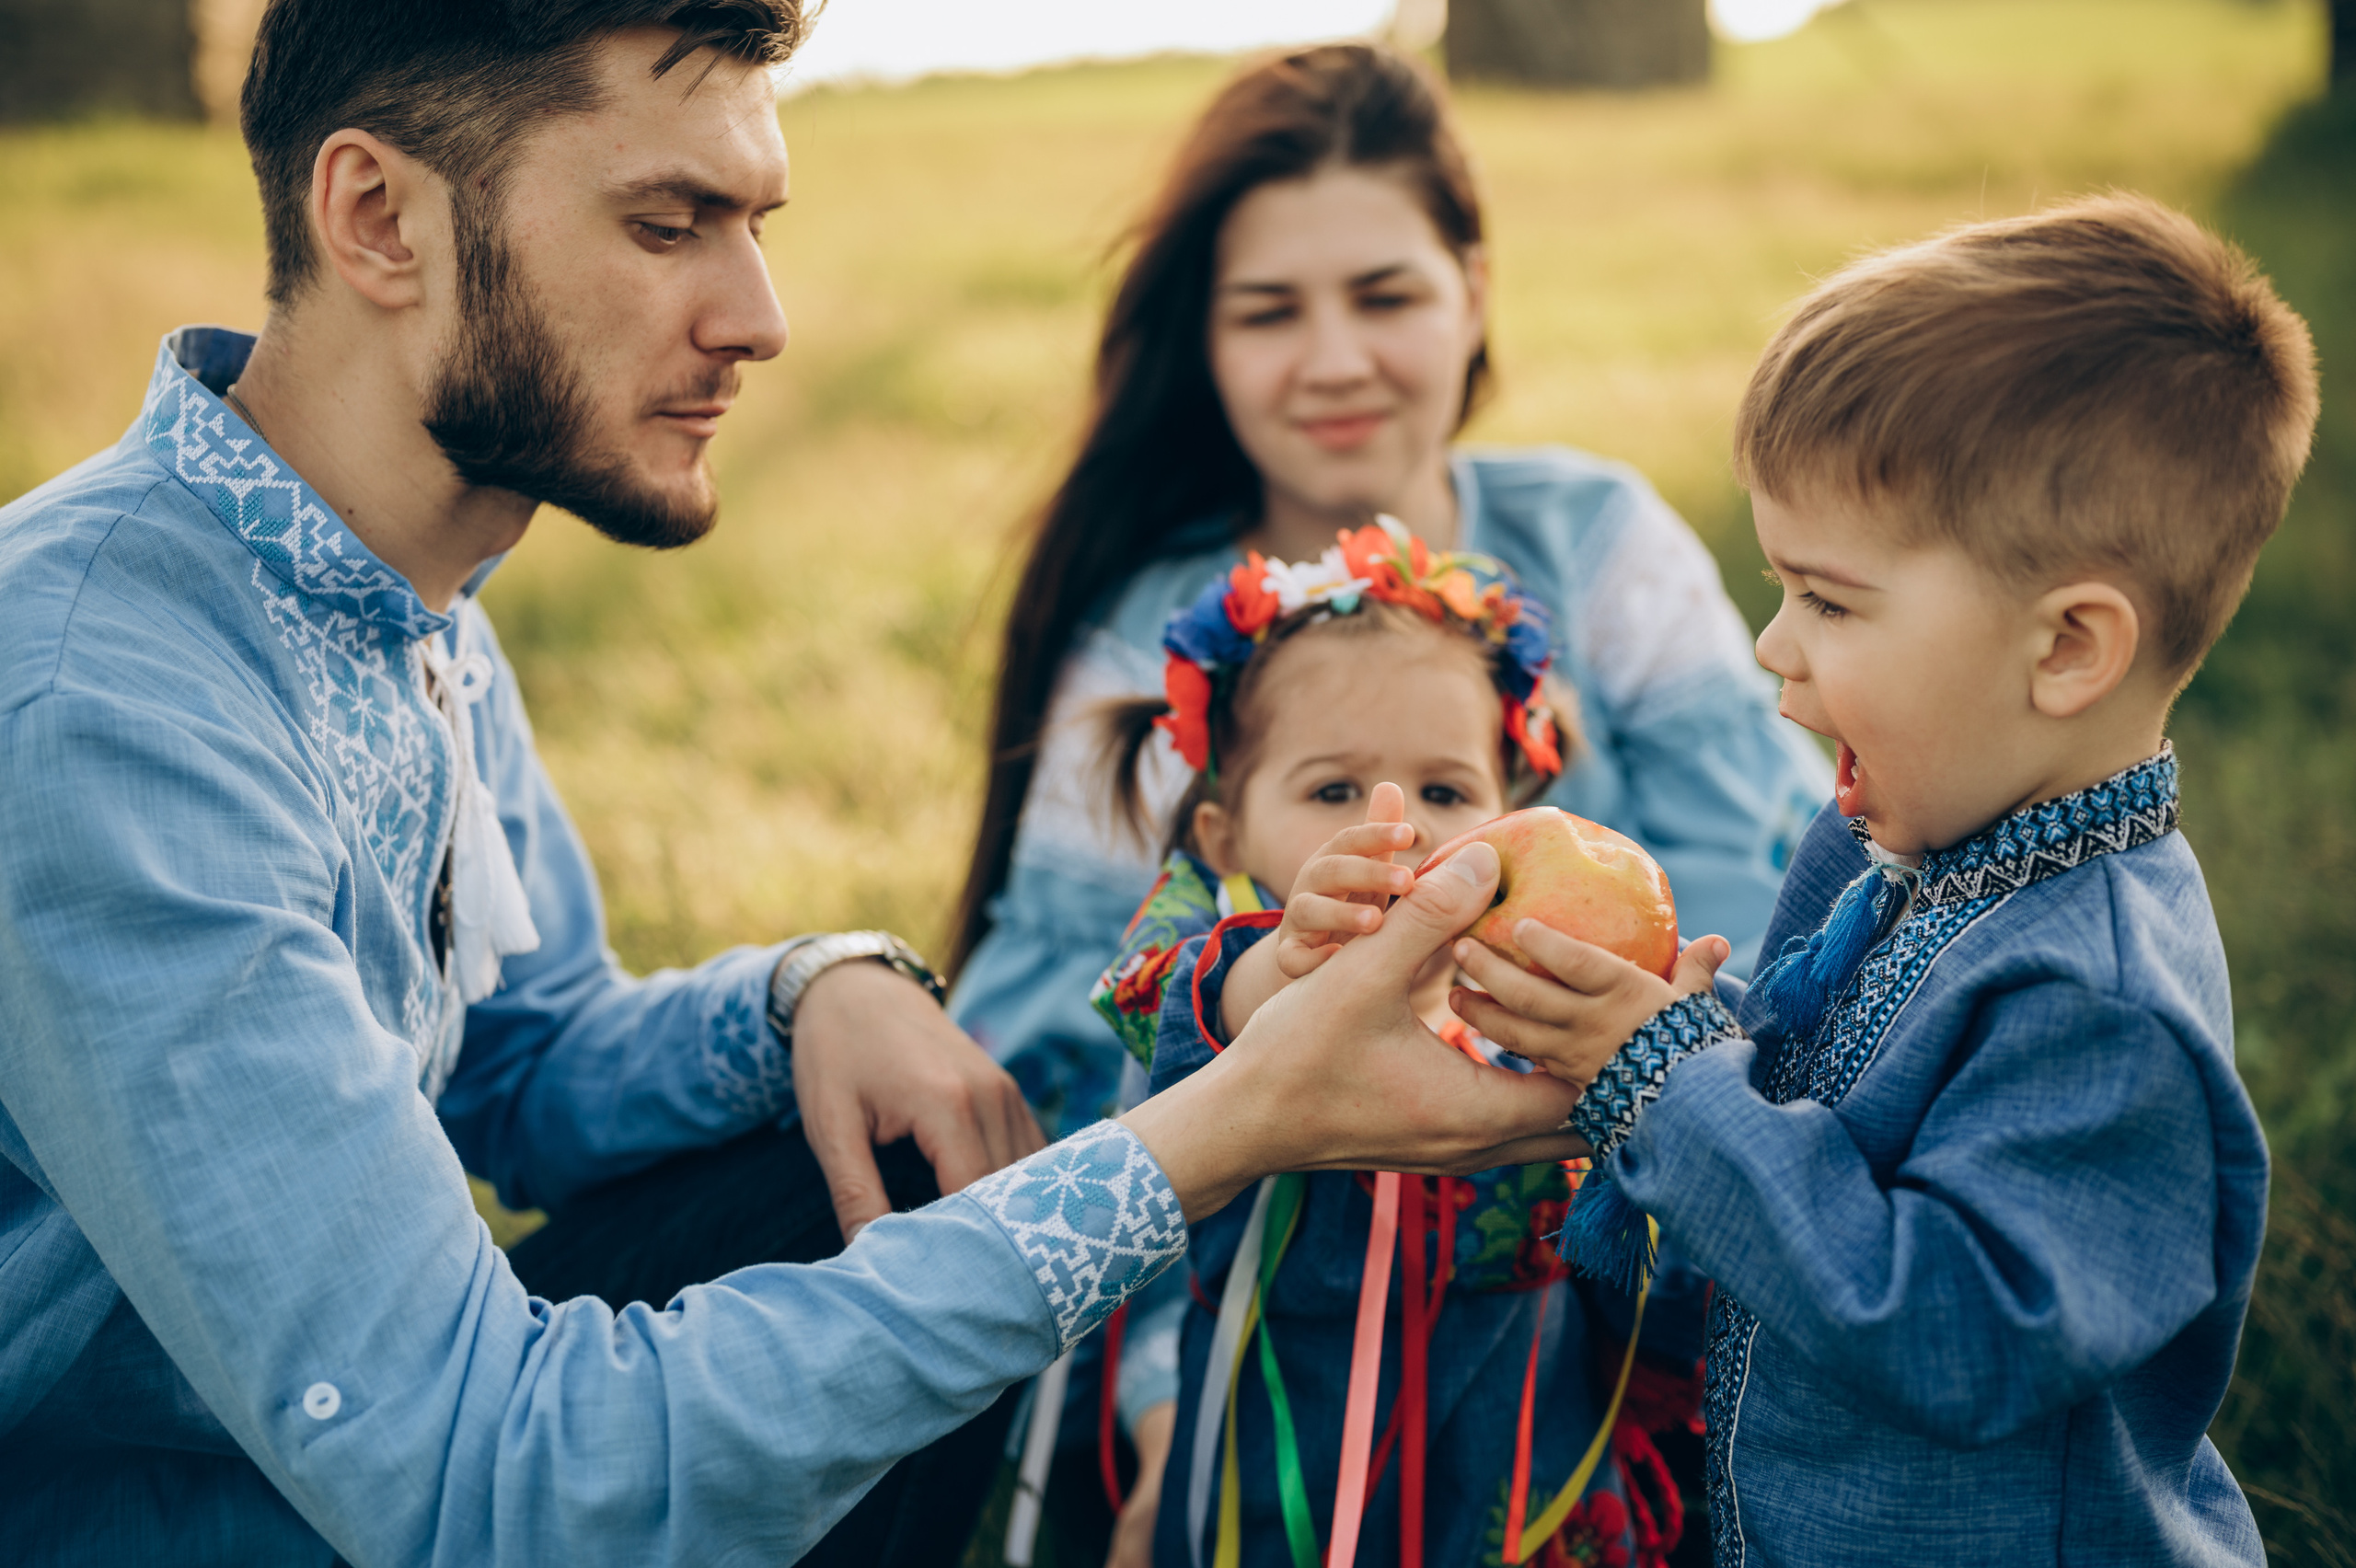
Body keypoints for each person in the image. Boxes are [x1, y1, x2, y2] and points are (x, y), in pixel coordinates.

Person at [0, 4, 1590, 1563]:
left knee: (877, 1160)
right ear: (379, 218)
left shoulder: (390, 588)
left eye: (752, 222)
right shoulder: (103, 703)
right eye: (667, 222)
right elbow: (484, 1482)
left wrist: (808, 989)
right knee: (948, 1244)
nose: (757, 314)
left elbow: (524, 1054)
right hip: (187, 1509)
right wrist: (1222, 1122)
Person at [946, 41, 1825, 1558]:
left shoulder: (1596, 539)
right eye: (1269, 311)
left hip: (1596, 1288)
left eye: (1386, 293)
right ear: (1203, 344)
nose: (1334, 357)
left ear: (1473, 290)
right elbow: (1044, 1037)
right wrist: (1172, 1400)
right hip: (1251, 1317)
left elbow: (1781, 883)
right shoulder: (1150, 642)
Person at [1456, 194, 2313, 1565]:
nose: (1770, 647)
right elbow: (1806, 1115)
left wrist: (1668, 1083)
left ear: (2067, 650)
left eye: (1829, 600)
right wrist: (1658, 1041)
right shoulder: (1900, 845)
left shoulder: (2097, 1001)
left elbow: (1946, 1334)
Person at [1091, 525, 1706, 1568]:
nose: (1402, 833)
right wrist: (1283, 971)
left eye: (1447, 791)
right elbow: (1163, 1010)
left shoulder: (1535, 1010)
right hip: (1282, 1485)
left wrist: (1650, 1060)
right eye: (1334, 793)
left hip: (1518, 1484)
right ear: (1224, 836)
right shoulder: (1216, 972)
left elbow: (1638, 1240)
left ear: (1510, 814)